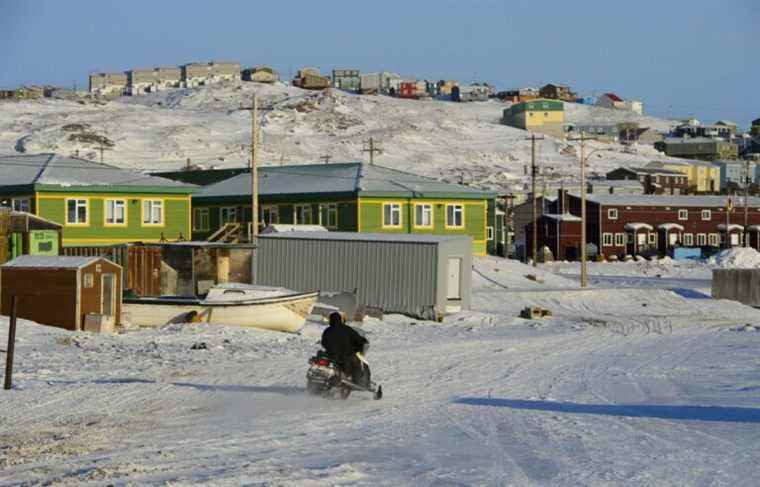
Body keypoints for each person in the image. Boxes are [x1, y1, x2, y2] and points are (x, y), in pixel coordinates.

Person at [321, 312, 369, 387]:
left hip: (330, 356)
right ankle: (359, 384)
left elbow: (323, 342)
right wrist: (363, 341)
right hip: (345, 355)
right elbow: (357, 338)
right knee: (358, 364)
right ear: (340, 320)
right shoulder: (346, 329)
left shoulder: (327, 330)